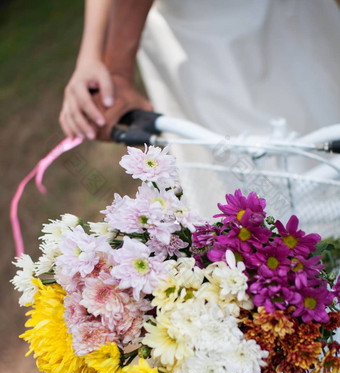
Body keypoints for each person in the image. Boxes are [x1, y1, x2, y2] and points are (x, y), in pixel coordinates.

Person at [59, 1, 340, 215]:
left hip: (279, 20)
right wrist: (93, 57)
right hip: (196, 42)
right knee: (256, 187)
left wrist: (116, 68)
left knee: (298, 167)